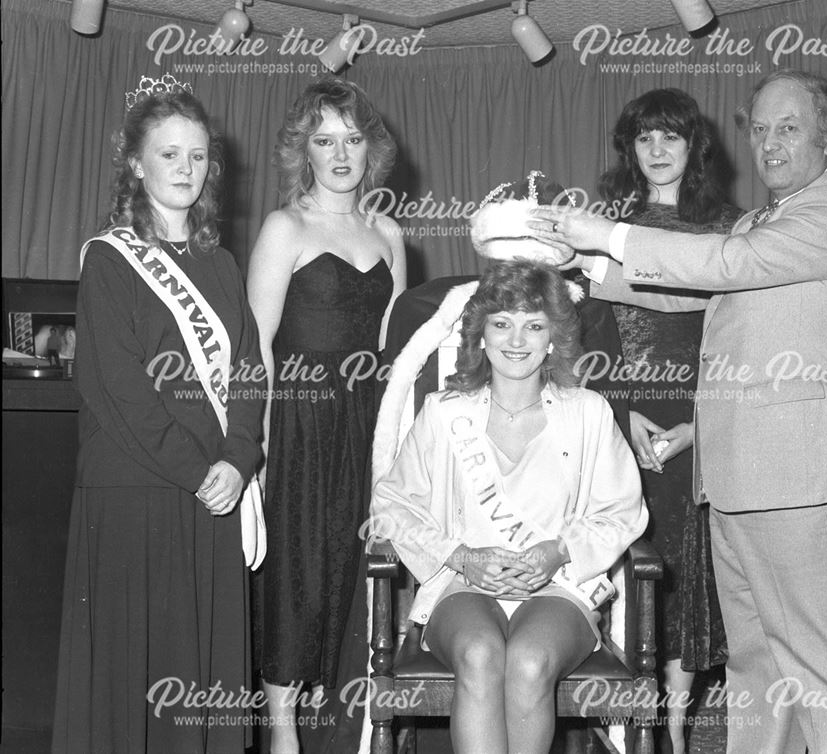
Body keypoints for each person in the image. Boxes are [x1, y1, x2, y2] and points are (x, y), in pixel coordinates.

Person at [532, 70, 827, 753]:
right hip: (733, 482)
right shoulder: (763, 223)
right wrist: (587, 264)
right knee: (757, 672)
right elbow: (692, 291)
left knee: (825, 671)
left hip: (801, 483)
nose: (770, 143)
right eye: (759, 129)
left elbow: (726, 262)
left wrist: (612, 235)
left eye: (788, 127)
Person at [52, 78, 264, 753]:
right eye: (168, 155)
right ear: (137, 165)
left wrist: (238, 458)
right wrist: (201, 469)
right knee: (136, 683)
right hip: (137, 495)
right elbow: (117, 388)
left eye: (198, 157)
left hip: (213, 497)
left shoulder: (223, 265)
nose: (185, 170)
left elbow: (251, 373)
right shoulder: (109, 263)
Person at [370, 260, 648, 754]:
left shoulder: (588, 412)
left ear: (553, 338)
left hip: (560, 586)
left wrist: (558, 552)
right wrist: (460, 556)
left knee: (529, 660)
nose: (516, 339)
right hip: (462, 583)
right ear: (480, 335)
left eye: (534, 325)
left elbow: (624, 511)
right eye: (502, 323)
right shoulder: (444, 412)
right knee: (479, 654)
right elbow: (389, 505)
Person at [247, 78, 405, 753]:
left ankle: (351, 724)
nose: (340, 154)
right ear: (302, 151)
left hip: (373, 421)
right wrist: (252, 441)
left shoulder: (390, 231)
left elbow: (402, 347)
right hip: (301, 422)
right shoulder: (285, 226)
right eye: (324, 140)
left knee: (358, 563)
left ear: (371, 148)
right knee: (299, 567)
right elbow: (254, 342)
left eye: (352, 138)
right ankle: (282, 723)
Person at [587, 88, 739, 754]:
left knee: (688, 572)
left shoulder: (728, 228)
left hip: (702, 418)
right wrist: (626, 412)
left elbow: (742, 343)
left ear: (692, 146)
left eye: (670, 137)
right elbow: (586, 339)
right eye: (644, 137)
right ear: (630, 148)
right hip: (625, 416)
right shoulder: (605, 225)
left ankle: (674, 724)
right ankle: (626, 717)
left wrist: (702, 426)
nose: (656, 150)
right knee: (629, 570)